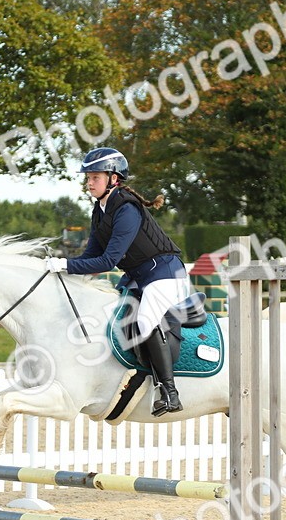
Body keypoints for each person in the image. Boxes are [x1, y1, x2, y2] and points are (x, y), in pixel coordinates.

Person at [43, 147, 190, 416]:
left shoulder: (126, 209)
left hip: (165, 273)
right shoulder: (99, 211)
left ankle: (169, 392)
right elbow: (90, 257)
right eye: (88, 178)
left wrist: (64, 264)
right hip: (138, 278)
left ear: (114, 178)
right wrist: (61, 273)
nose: (89, 183)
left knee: (145, 321)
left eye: (95, 177)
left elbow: (108, 261)